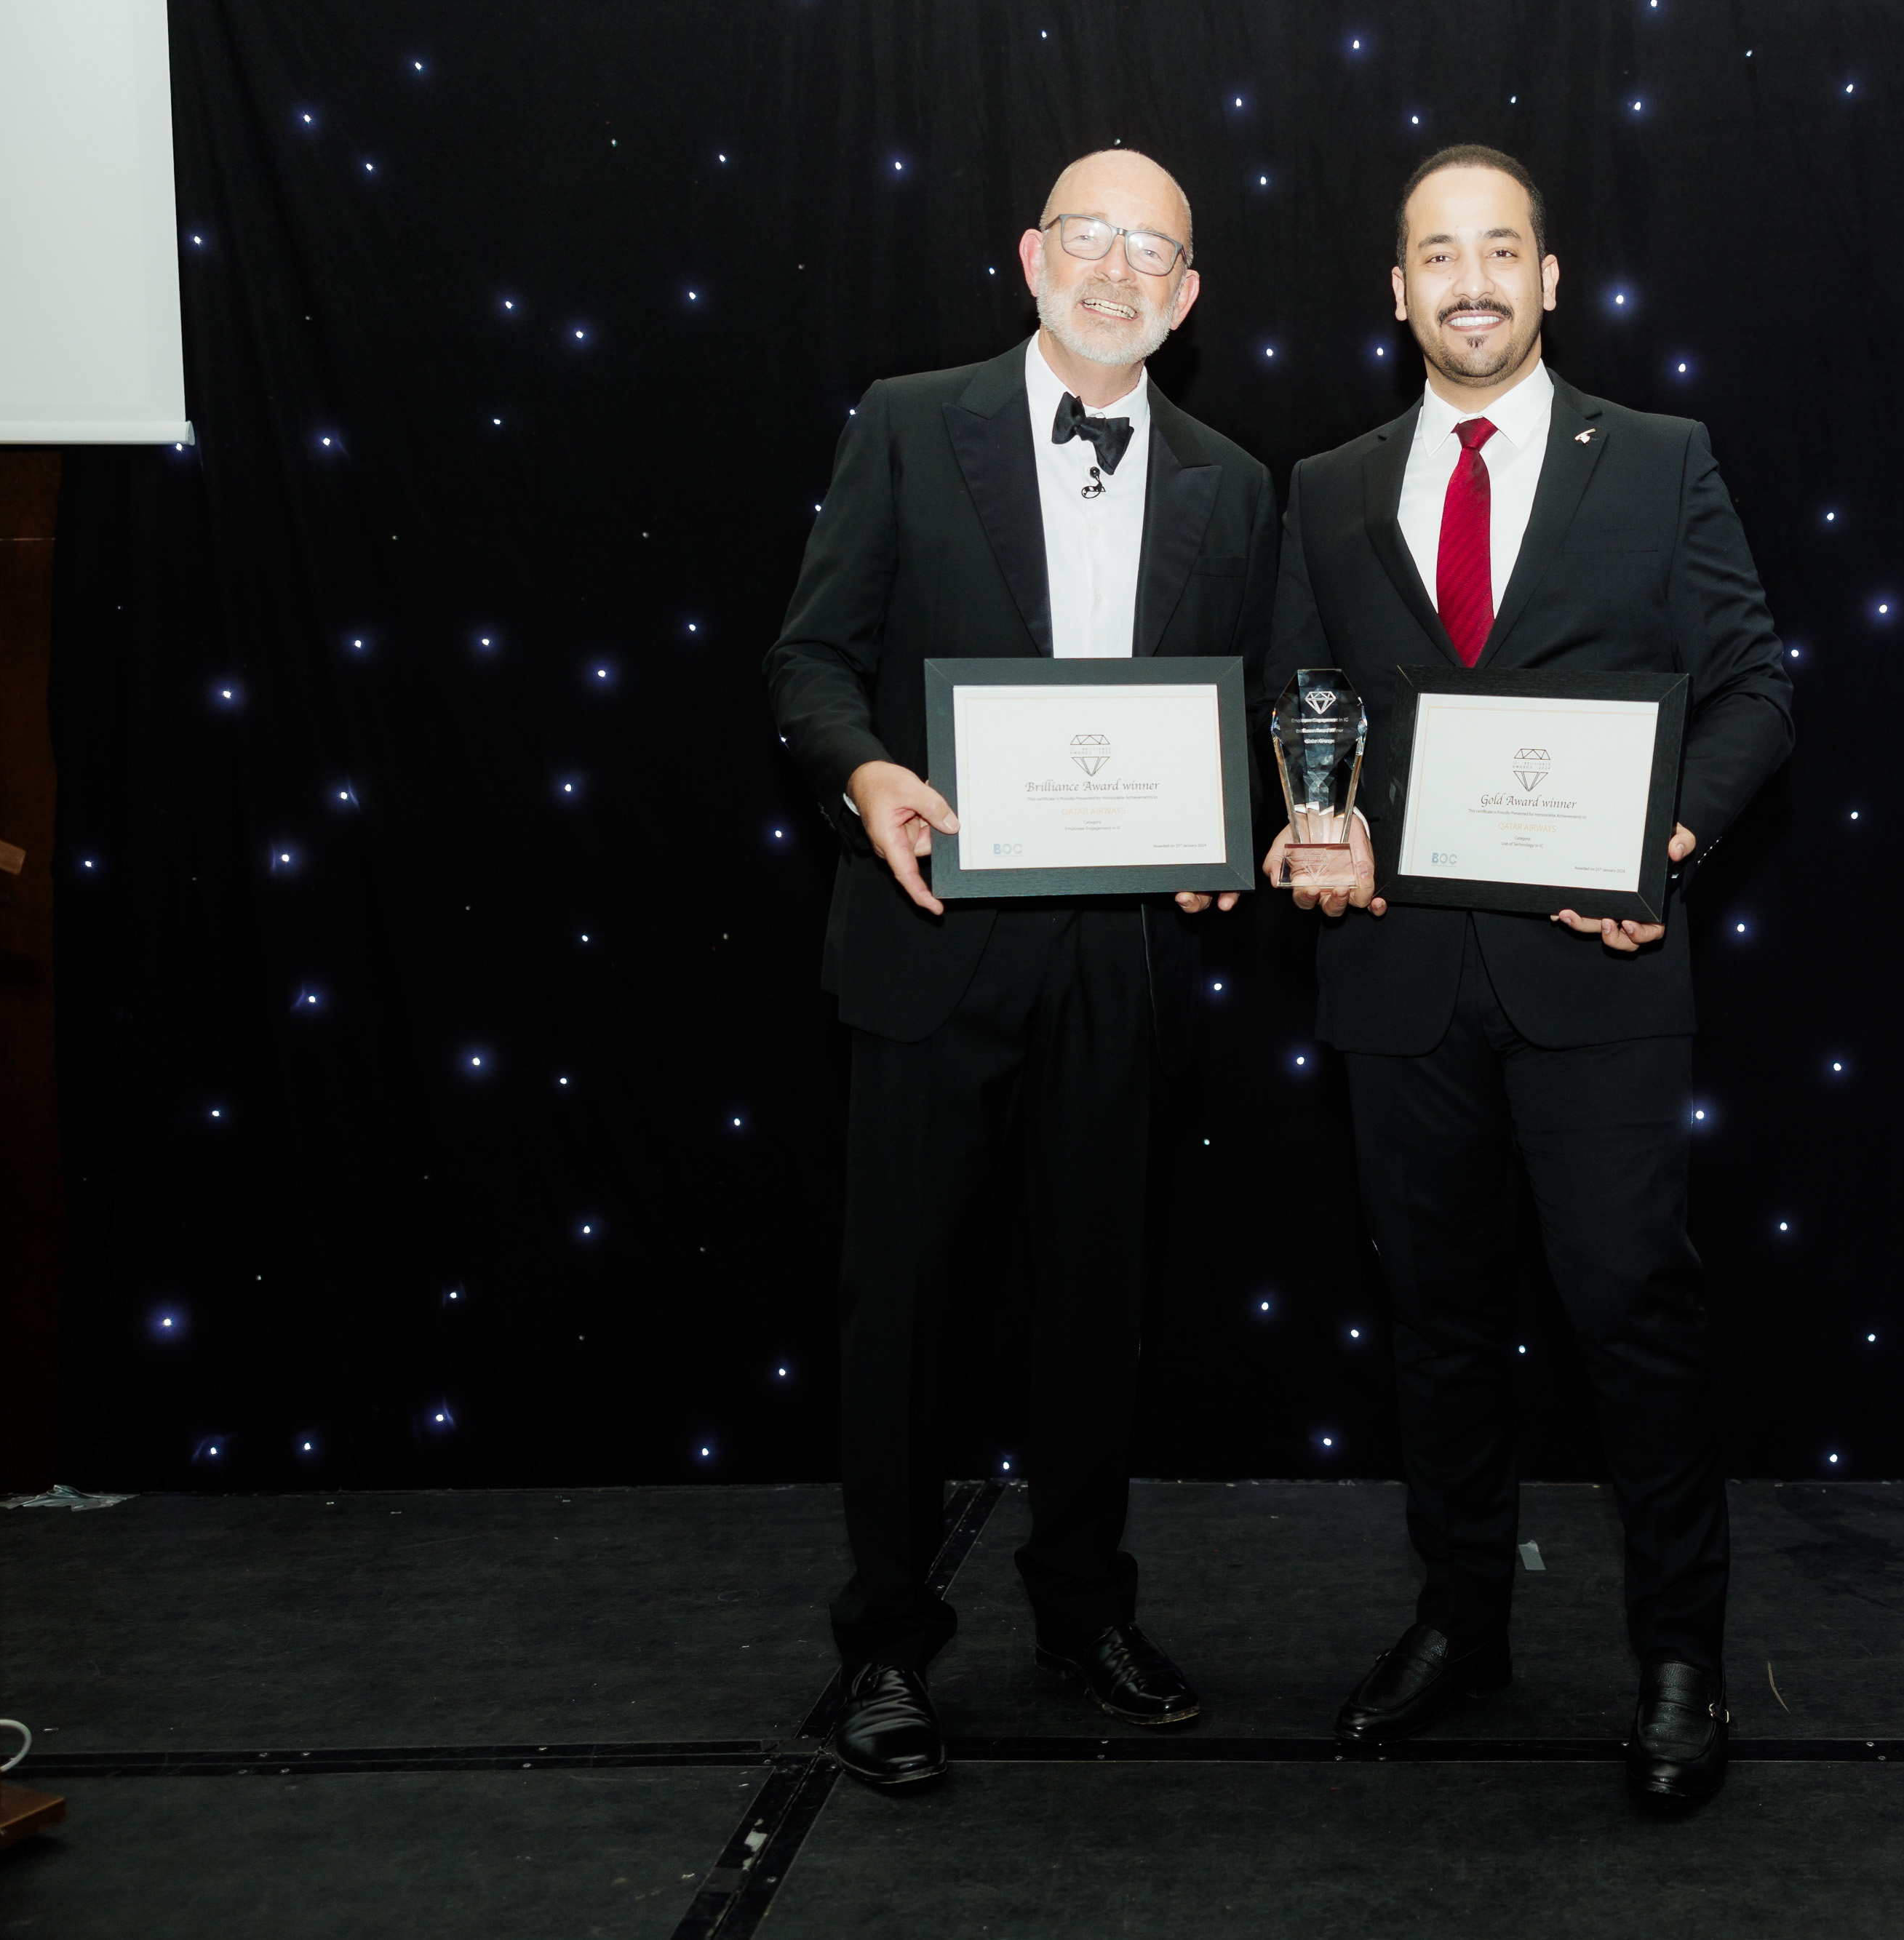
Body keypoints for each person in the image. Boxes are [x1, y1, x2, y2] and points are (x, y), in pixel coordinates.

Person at [1263, 145, 1793, 1801]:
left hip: (1596, 970)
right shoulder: (1326, 484)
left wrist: (1664, 847)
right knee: (1435, 1322)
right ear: (1397, 289)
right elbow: (1301, 699)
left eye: (1502, 250)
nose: (1472, 280)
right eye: (1440, 254)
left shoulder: (1660, 457)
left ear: (1550, 280)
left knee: (1633, 1310)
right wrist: (1316, 819)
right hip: (1397, 976)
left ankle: (1681, 1654)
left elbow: (1754, 689)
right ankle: (1460, 1618)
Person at [764, 147, 1277, 1786]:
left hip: (1122, 958)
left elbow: (1250, 703)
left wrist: (1230, 831)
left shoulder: (1233, 481)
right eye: (1087, 238)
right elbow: (810, 658)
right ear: (1031, 256)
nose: (1115, 270)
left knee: (1096, 1305)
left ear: (1186, 297)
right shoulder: (909, 421)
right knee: (903, 1308)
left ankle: (1081, 1608)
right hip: (931, 937)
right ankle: (886, 1642)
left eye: (1151, 251)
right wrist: (864, 773)